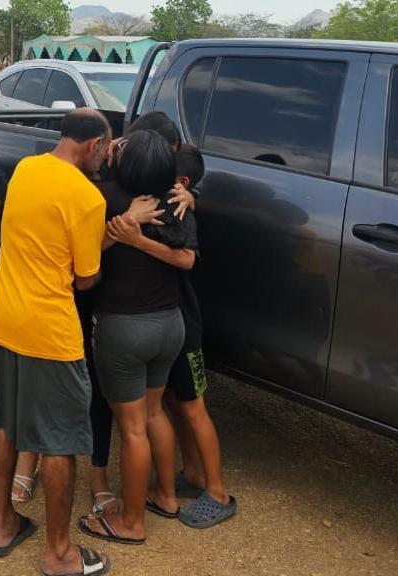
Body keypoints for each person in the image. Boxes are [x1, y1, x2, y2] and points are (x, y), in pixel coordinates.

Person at [0, 108, 112, 576]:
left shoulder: (27, 169)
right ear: (92, 146)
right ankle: (60, 554)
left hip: (5, 320)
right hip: (51, 333)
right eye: (107, 149)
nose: (107, 157)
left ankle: (4, 526)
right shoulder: (87, 198)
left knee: (7, 424)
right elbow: (86, 278)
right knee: (60, 442)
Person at [78, 129, 197, 546]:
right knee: (153, 414)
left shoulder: (104, 198)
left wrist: (124, 230)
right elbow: (188, 258)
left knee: (131, 428)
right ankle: (165, 496)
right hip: (170, 325)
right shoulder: (178, 201)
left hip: (125, 328)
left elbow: (82, 260)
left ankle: (131, 521)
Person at [163, 144, 238, 528]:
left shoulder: (184, 209)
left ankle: (218, 491)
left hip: (186, 326)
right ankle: (192, 474)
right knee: (176, 402)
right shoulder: (170, 201)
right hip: (168, 321)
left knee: (194, 405)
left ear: (183, 182)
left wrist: (192, 197)